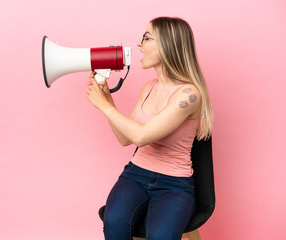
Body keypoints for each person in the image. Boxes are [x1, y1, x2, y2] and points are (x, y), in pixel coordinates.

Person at [86, 16, 213, 240]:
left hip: (174, 184)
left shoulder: (190, 94)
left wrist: (105, 108)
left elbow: (142, 136)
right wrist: (106, 98)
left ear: (167, 44)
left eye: (146, 38)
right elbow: (126, 139)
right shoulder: (148, 87)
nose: (138, 44)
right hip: (135, 175)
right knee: (113, 224)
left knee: (161, 236)